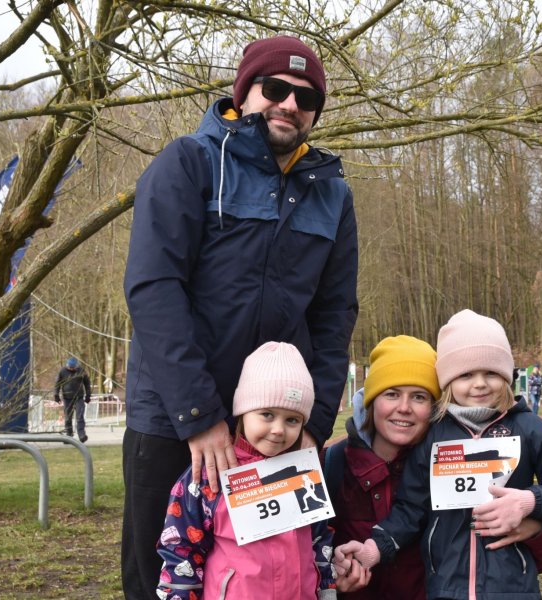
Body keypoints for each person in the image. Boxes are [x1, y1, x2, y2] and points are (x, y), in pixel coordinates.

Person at [122, 35, 359, 598]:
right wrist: (199, 412)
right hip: (175, 420)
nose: (289, 104)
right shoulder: (189, 162)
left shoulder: (334, 195)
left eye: (307, 98)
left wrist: (314, 423)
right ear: (244, 91)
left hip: (276, 429)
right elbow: (154, 287)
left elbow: (334, 316)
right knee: (165, 577)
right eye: (274, 89)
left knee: (270, 576)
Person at [333, 310, 542, 598]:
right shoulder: (434, 435)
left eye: (491, 372)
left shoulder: (530, 428)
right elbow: (411, 509)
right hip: (446, 587)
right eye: (466, 374)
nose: (479, 383)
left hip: (513, 588)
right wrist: (373, 549)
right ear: (448, 382)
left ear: (506, 376)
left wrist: (530, 502)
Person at [156, 342, 336, 600]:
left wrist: (328, 592)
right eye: (266, 414)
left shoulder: (304, 474)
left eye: (292, 420)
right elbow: (180, 547)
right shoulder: (213, 473)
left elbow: (320, 541)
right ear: (243, 412)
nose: (278, 429)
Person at [53, 357, 91, 443]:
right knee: (68, 417)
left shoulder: (81, 371)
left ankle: (81, 435)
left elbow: (87, 383)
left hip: (79, 397)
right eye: (70, 367)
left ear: (76, 366)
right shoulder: (62, 371)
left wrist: (88, 395)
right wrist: (56, 395)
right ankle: (69, 435)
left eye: (73, 368)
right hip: (67, 398)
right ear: (67, 365)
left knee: (80, 416)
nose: (72, 369)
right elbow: (57, 383)